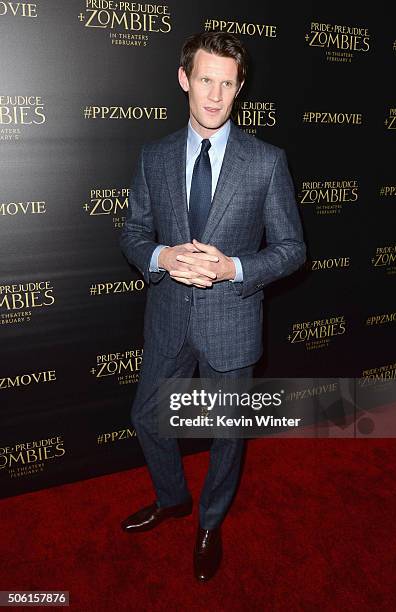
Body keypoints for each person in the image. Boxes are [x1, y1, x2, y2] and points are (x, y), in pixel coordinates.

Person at [119, 30, 306, 581]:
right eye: (206, 79)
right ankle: (173, 498)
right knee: (146, 417)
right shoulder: (153, 157)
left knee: (226, 434)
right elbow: (132, 233)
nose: (215, 95)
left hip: (232, 323)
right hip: (169, 320)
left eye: (228, 83)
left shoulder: (267, 162)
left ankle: (210, 521)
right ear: (184, 80)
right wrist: (161, 255)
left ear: (239, 87)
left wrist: (234, 268)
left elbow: (294, 249)